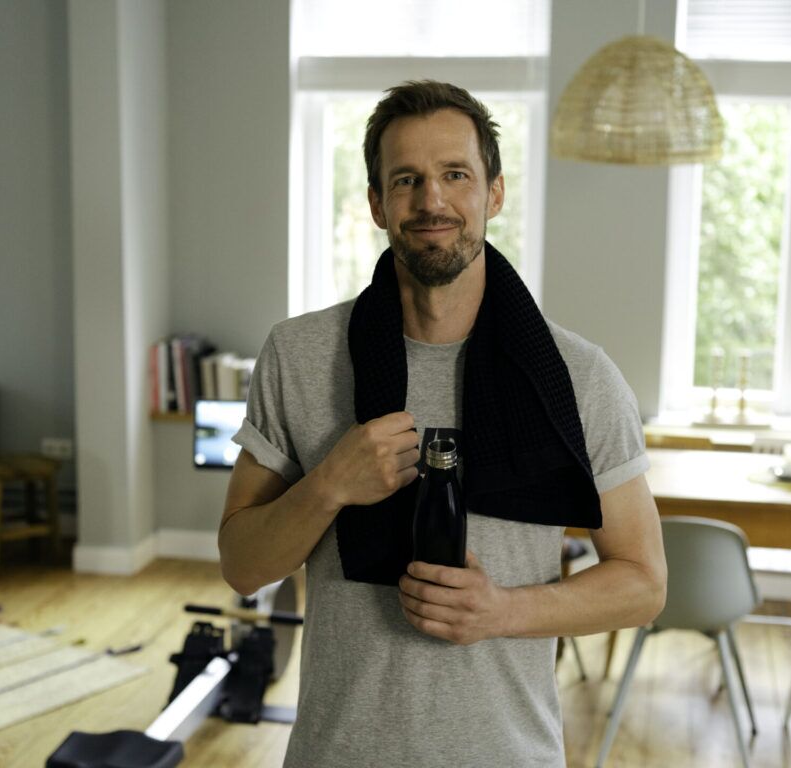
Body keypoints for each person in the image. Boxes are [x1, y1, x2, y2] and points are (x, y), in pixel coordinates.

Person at [219, 80, 666, 768]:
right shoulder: (299, 356)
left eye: (455, 175)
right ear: (377, 203)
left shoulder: (578, 376)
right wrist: (329, 484)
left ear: (494, 193)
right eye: (407, 180)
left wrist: (503, 612)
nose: (432, 201)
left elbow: (644, 583)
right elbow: (242, 566)